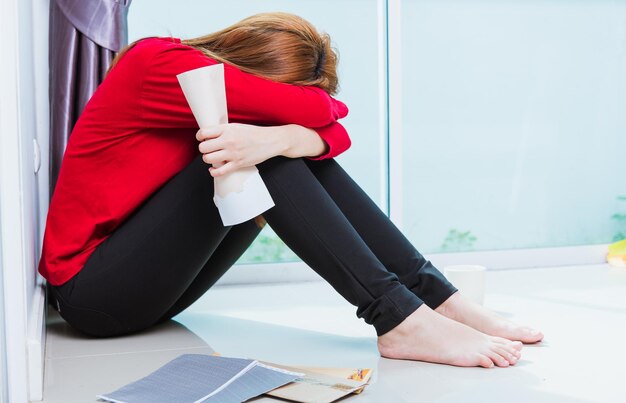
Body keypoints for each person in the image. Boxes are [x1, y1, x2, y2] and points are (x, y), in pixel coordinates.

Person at [40, 12, 543, 369]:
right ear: (246, 61)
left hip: (148, 289)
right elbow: (328, 114)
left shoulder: (216, 94)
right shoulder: (157, 64)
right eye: (278, 97)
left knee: (272, 151)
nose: (279, 108)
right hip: (91, 293)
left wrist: (280, 135)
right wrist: (285, 133)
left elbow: (333, 133)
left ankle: (434, 299)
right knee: (270, 157)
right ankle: (398, 319)